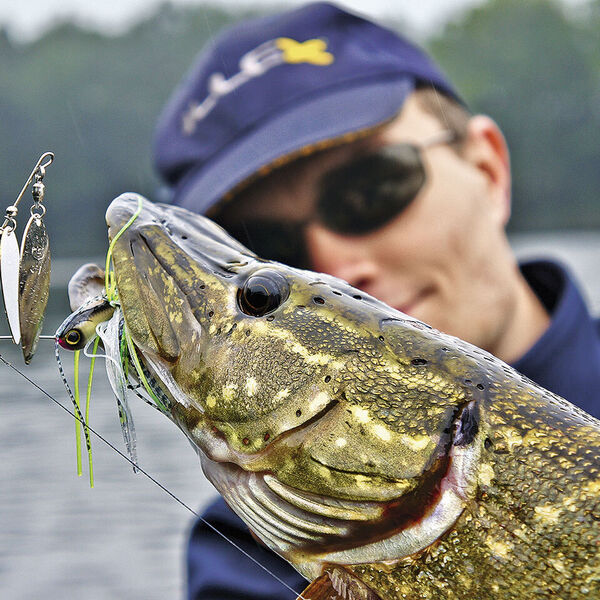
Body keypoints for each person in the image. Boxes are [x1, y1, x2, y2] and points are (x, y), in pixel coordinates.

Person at [152, 3, 600, 598]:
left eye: (369, 190)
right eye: (268, 247)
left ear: (488, 169)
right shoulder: (242, 563)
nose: (336, 267)